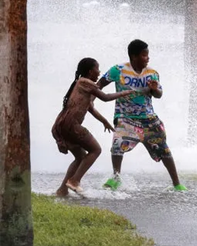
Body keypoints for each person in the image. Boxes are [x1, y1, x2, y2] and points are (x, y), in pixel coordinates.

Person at [97, 39, 187, 191]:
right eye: (144, 55)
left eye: (148, 55)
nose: (147, 58)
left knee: (164, 150)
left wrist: (154, 89)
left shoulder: (152, 74)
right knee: (117, 144)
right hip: (126, 117)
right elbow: (99, 85)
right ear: (134, 56)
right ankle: (116, 178)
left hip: (148, 119)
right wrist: (89, 99)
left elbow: (159, 95)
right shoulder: (118, 70)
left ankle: (177, 184)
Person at [52, 57, 134, 196]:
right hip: (71, 125)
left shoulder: (81, 85)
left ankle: (62, 190)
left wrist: (104, 121)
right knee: (96, 150)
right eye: (97, 69)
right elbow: (106, 97)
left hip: (61, 125)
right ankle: (74, 181)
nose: (99, 72)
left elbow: (90, 108)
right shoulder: (86, 82)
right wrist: (125, 92)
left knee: (80, 157)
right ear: (90, 71)